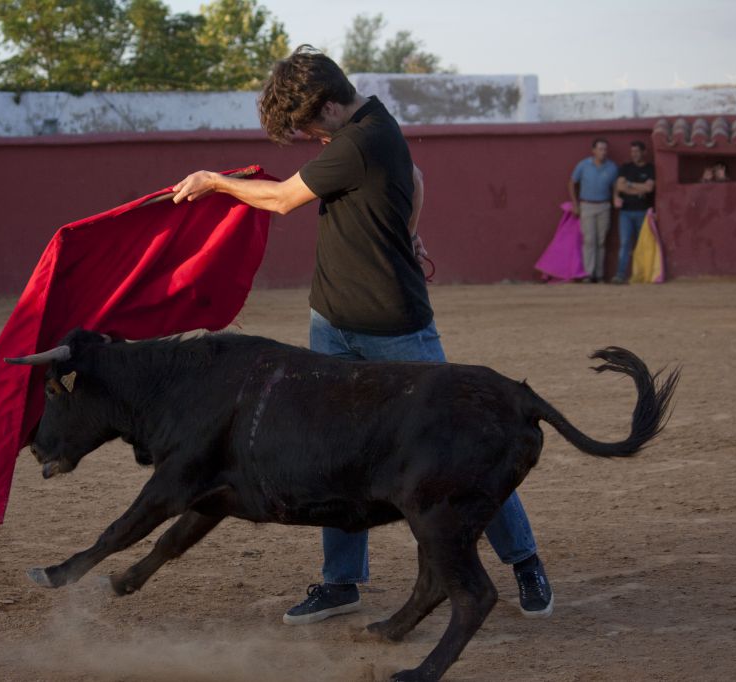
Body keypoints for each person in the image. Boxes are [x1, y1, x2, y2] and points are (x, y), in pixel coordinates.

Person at [172, 45, 553, 624]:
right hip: (332, 321)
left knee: (461, 452)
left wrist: (213, 181)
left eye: (306, 128)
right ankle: (342, 581)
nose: (309, 140)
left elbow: (277, 201)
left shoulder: (358, 140)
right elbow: (417, 179)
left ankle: (524, 560)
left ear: (327, 108)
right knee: (335, 454)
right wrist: (406, 232)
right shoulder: (377, 125)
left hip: (397, 331)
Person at [567, 138, 618, 283]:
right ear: (593, 151)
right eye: (600, 149)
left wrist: (615, 198)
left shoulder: (612, 167)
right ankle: (589, 274)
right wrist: (575, 204)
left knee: (601, 241)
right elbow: (571, 183)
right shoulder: (583, 165)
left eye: (605, 150)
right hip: (587, 205)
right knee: (589, 240)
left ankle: (599, 274)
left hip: (604, 206)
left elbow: (615, 185)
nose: (603, 152)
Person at [611, 141, 656, 284]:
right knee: (625, 243)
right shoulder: (625, 167)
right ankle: (620, 274)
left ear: (644, 152)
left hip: (643, 212)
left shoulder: (650, 168)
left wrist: (629, 185)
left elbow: (649, 189)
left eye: (637, 151)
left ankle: (639, 275)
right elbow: (619, 186)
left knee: (641, 244)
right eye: (632, 152)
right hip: (626, 213)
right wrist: (638, 189)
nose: (634, 154)